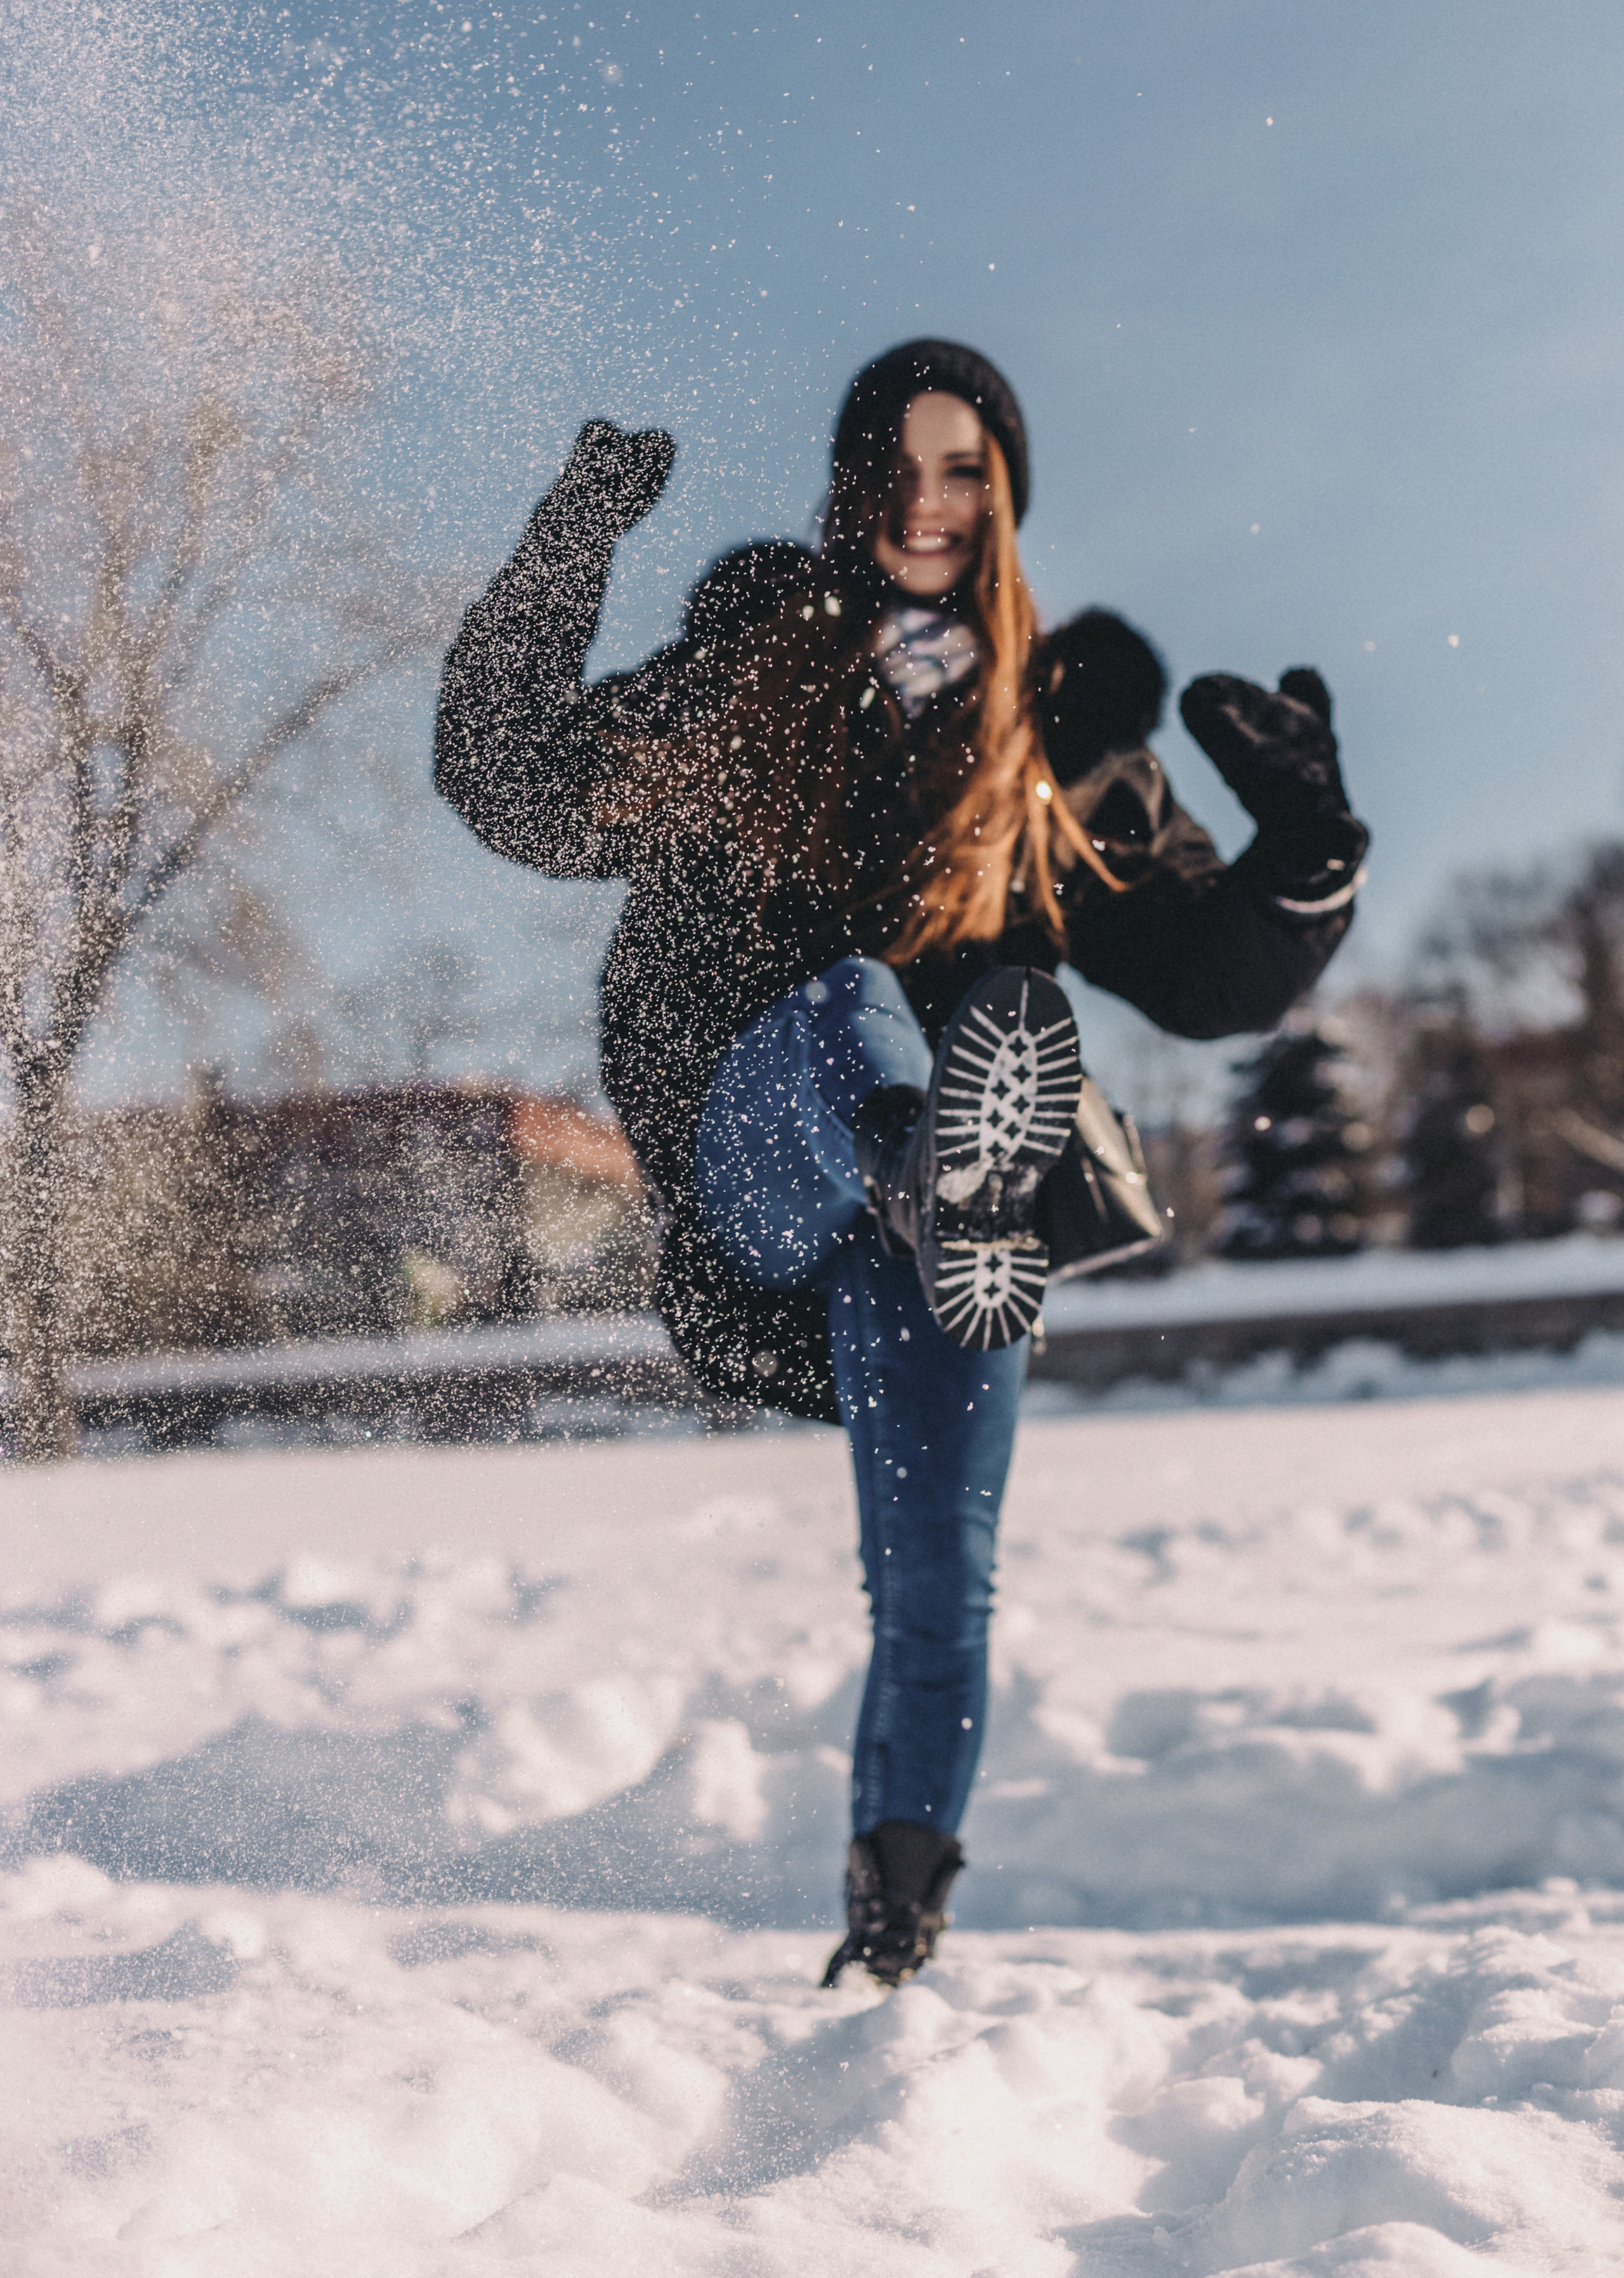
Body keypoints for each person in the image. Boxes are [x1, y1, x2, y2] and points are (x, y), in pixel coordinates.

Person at [435, 338, 1368, 1986]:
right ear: (849, 486)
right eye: (896, 468)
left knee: (941, 1567)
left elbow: (1212, 981)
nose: (928, 504)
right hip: (764, 1181)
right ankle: (927, 1152)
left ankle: (897, 1907)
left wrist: (1307, 852)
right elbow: (510, 784)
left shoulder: (1058, 745)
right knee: (853, 1007)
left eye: (964, 471)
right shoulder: (746, 675)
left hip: (948, 1244)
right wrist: (567, 545)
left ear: (999, 496)